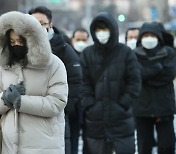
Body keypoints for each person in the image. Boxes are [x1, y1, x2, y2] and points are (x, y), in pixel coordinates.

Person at [0, 11, 68, 154]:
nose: (16, 46)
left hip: (44, 146)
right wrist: (5, 99)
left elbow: (57, 102)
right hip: (10, 147)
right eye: (12, 42)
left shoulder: (54, 65)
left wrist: (21, 102)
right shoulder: (4, 66)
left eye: (20, 41)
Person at [80, 12, 141, 154]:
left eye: (105, 29)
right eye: (98, 29)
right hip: (96, 119)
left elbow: (134, 82)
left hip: (121, 118)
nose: (102, 33)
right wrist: (90, 105)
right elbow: (83, 83)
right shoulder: (87, 54)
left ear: (113, 30)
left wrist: (123, 104)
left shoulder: (125, 52)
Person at [29, 6, 82, 154]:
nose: (38, 27)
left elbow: (76, 82)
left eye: (41, 23)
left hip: (55, 117)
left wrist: (62, 110)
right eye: (33, 23)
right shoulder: (22, 49)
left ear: (50, 25)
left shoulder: (64, 49)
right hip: (29, 117)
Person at [133, 22, 176, 154]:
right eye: (146, 35)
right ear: (141, 38)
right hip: (142, 109)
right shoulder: (134, 54)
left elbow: (169, 74)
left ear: (158, 37)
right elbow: (136, 75)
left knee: (167, 146)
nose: (149, 38)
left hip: (164, 107)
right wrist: (157, 69)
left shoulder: (168, 52)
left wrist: (146, 76)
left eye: (152, 35)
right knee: (144, 146)